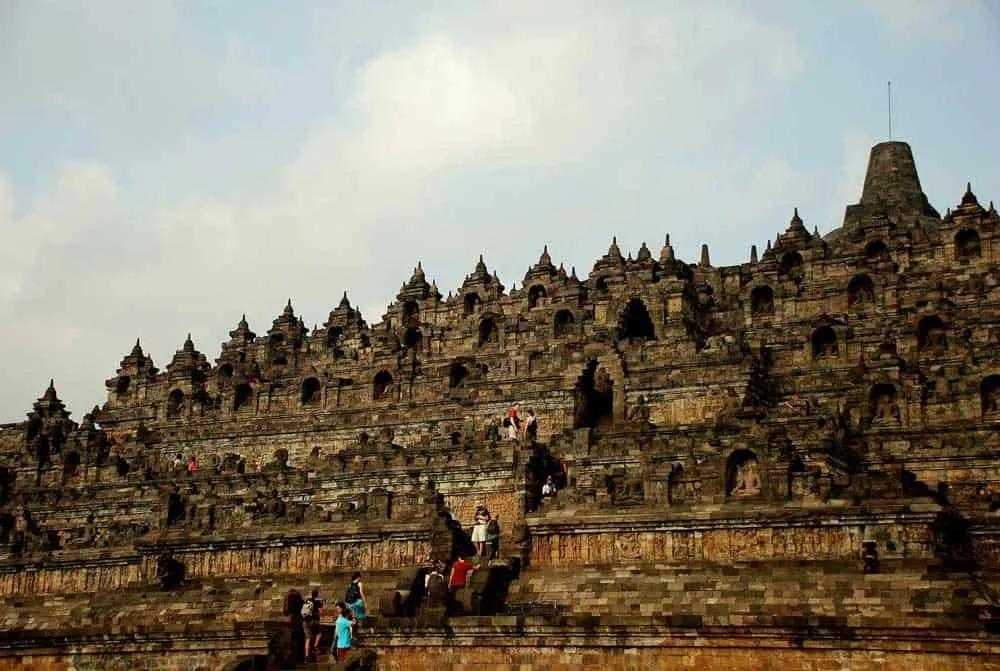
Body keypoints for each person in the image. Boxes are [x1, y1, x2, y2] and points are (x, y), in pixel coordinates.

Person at [301, 588, 323, 661]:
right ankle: (315, 646)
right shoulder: (318, 601)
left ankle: (306, 657)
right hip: (313, 621)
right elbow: (321, 612)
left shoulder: (307, 601)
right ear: (317, 594)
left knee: (307, 639)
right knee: (319, 633)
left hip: (305, 621)